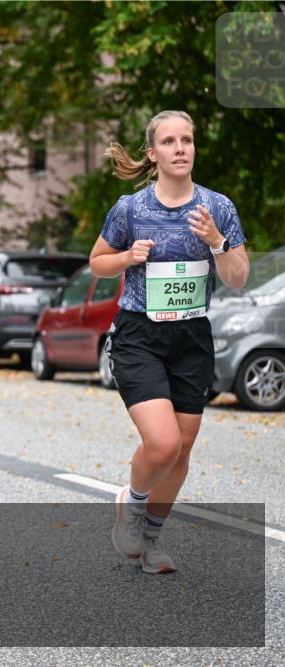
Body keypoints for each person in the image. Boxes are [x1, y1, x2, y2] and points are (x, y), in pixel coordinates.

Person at [91, 110, 249, 574]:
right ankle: (132, 503)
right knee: (161, 443)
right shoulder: (131, 209)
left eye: (187, 140)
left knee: (182, 447)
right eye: (169, 141)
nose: (180, 149)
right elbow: (97, 262)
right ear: (153, 152)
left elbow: (237, 279)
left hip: (192, 335)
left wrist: (219, 242)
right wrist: (126, 256)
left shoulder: (217, 209)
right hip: (140, 333)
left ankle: (153, 541)